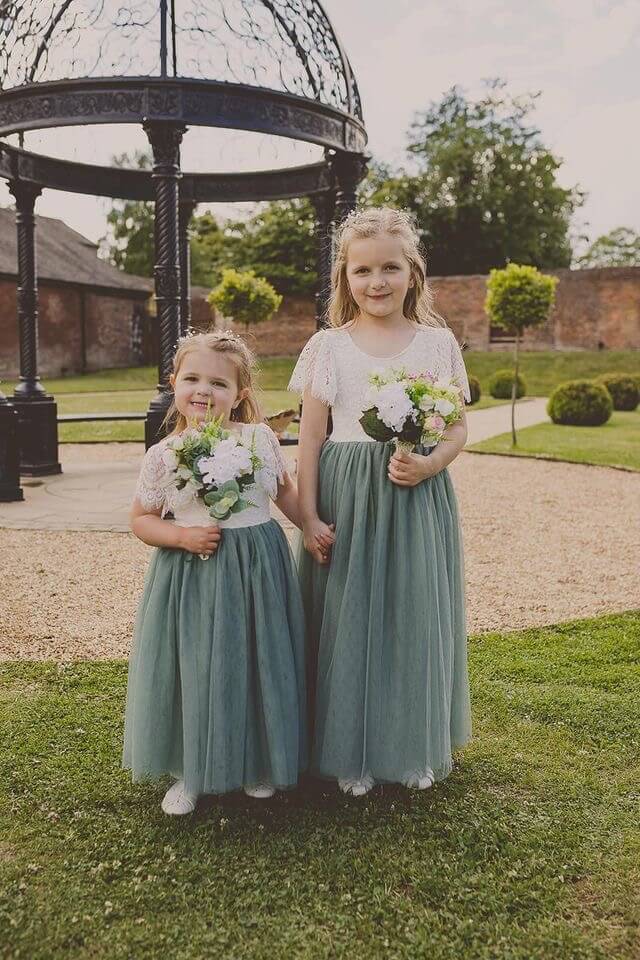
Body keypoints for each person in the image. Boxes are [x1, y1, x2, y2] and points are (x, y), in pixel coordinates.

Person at [289, 207, 472, 797]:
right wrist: (311, 517)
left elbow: (457, 429)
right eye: (362, 270)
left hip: (415, 496)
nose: (376, 282)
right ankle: (350, 752)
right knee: (349, 618)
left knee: (411, 614)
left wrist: (430, 462)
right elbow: (310, 440)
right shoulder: (327, 347)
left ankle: (411, 744)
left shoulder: (438, 345)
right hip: (348, 499)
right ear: (344, 277)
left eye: (390, 267)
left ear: (412, 272)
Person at [123, 331, 307, 815]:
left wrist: (310, 525)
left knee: (256, 657)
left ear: (240, 394)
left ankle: (256, 763)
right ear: (174, 384)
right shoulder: (165, 453)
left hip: (257, 567)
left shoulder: (258, 437)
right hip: (193, 572)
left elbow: (282, 491)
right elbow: (141, 520)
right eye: (192, 379)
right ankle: (190, 770)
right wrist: (181, 536)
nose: (204, 391)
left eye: (219, 383)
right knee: (198, 663)